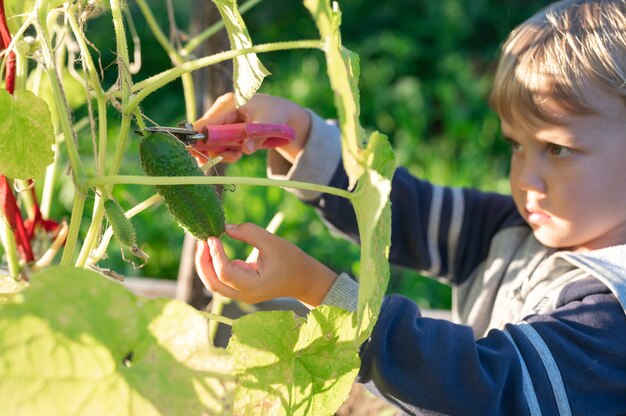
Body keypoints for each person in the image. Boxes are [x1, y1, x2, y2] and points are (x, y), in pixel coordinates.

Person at [194, 0, 626, 414]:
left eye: (557, 149)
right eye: (515, 144)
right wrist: (298, 135)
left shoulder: (610, 317)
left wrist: (319, 290)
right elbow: (402, 212)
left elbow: (480, 390)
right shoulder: (516, 229)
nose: (525, 178)